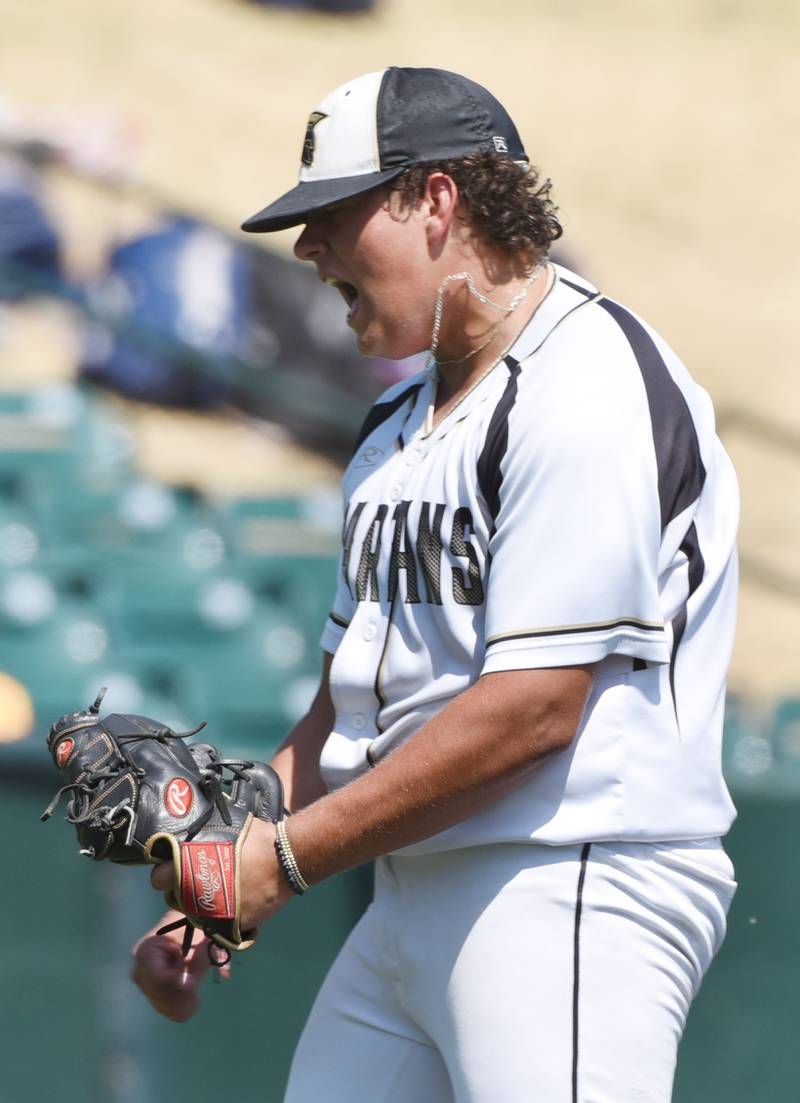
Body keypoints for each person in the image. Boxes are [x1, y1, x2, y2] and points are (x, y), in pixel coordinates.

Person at [132, 67, 740, 1102]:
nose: (309, 249)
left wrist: (277, 862)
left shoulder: (585, 384)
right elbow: (343, 706)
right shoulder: (393, 428)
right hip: (411, 893)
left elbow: (532, 711)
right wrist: (217, 875)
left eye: (334, 214)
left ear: (437, 201)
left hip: (569, 876)